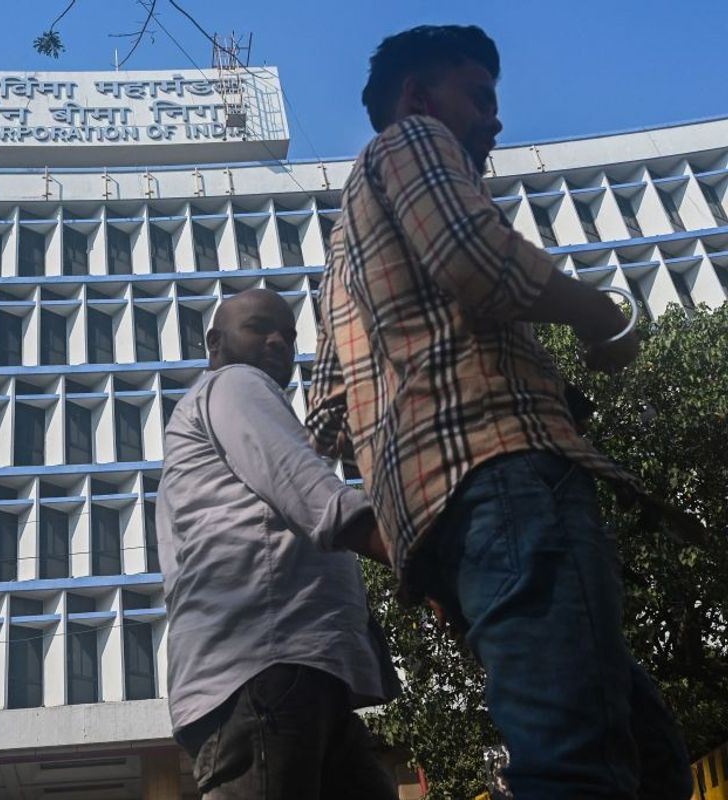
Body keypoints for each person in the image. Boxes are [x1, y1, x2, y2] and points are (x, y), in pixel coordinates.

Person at [306, 25, 693, 798]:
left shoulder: (343, 251)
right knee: (576, 763)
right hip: (508, 480)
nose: (495, 119)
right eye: (479, 96)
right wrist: (600, 317)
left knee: (645, 753)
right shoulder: (411, 140)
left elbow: (328, 420)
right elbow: (474, 257)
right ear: (417, 96)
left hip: (447, 527)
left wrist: (434, 542)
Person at [157, 288, 400, 799]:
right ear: (215, 344)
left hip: (293, 674)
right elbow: (312, 493)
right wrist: (422, 558)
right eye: (260, 327)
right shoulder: (232, 385)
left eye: (288, 335)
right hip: (266, 672)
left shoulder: (228, 411)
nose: (279, 341)